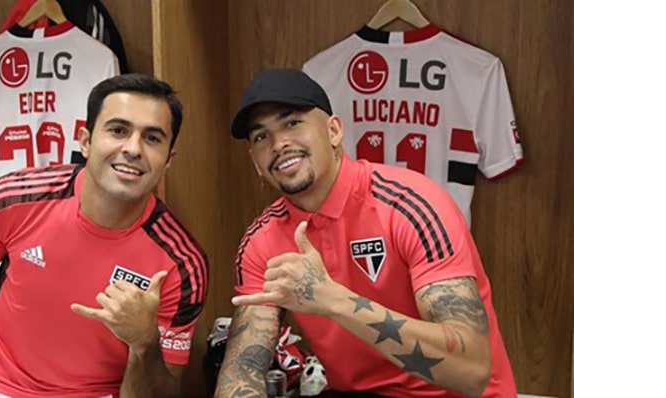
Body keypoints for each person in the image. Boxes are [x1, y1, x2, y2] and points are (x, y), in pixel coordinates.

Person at [213, 69, 517, 397]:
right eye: (261, 137)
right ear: (256, 163)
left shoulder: (411, 204)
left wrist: (334, 300)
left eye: (292, 123)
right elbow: (241, 369)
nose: (279, 144)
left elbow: (471, 370)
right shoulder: (262, 240)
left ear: (333, 130)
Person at [0, 74, 208, 398]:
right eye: (118, 130)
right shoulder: (14, 198)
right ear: (85, 140)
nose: (133, 149)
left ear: (168, 159)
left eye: (152, 138)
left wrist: (144, 342)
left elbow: (165, 392)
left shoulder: (182, 264)